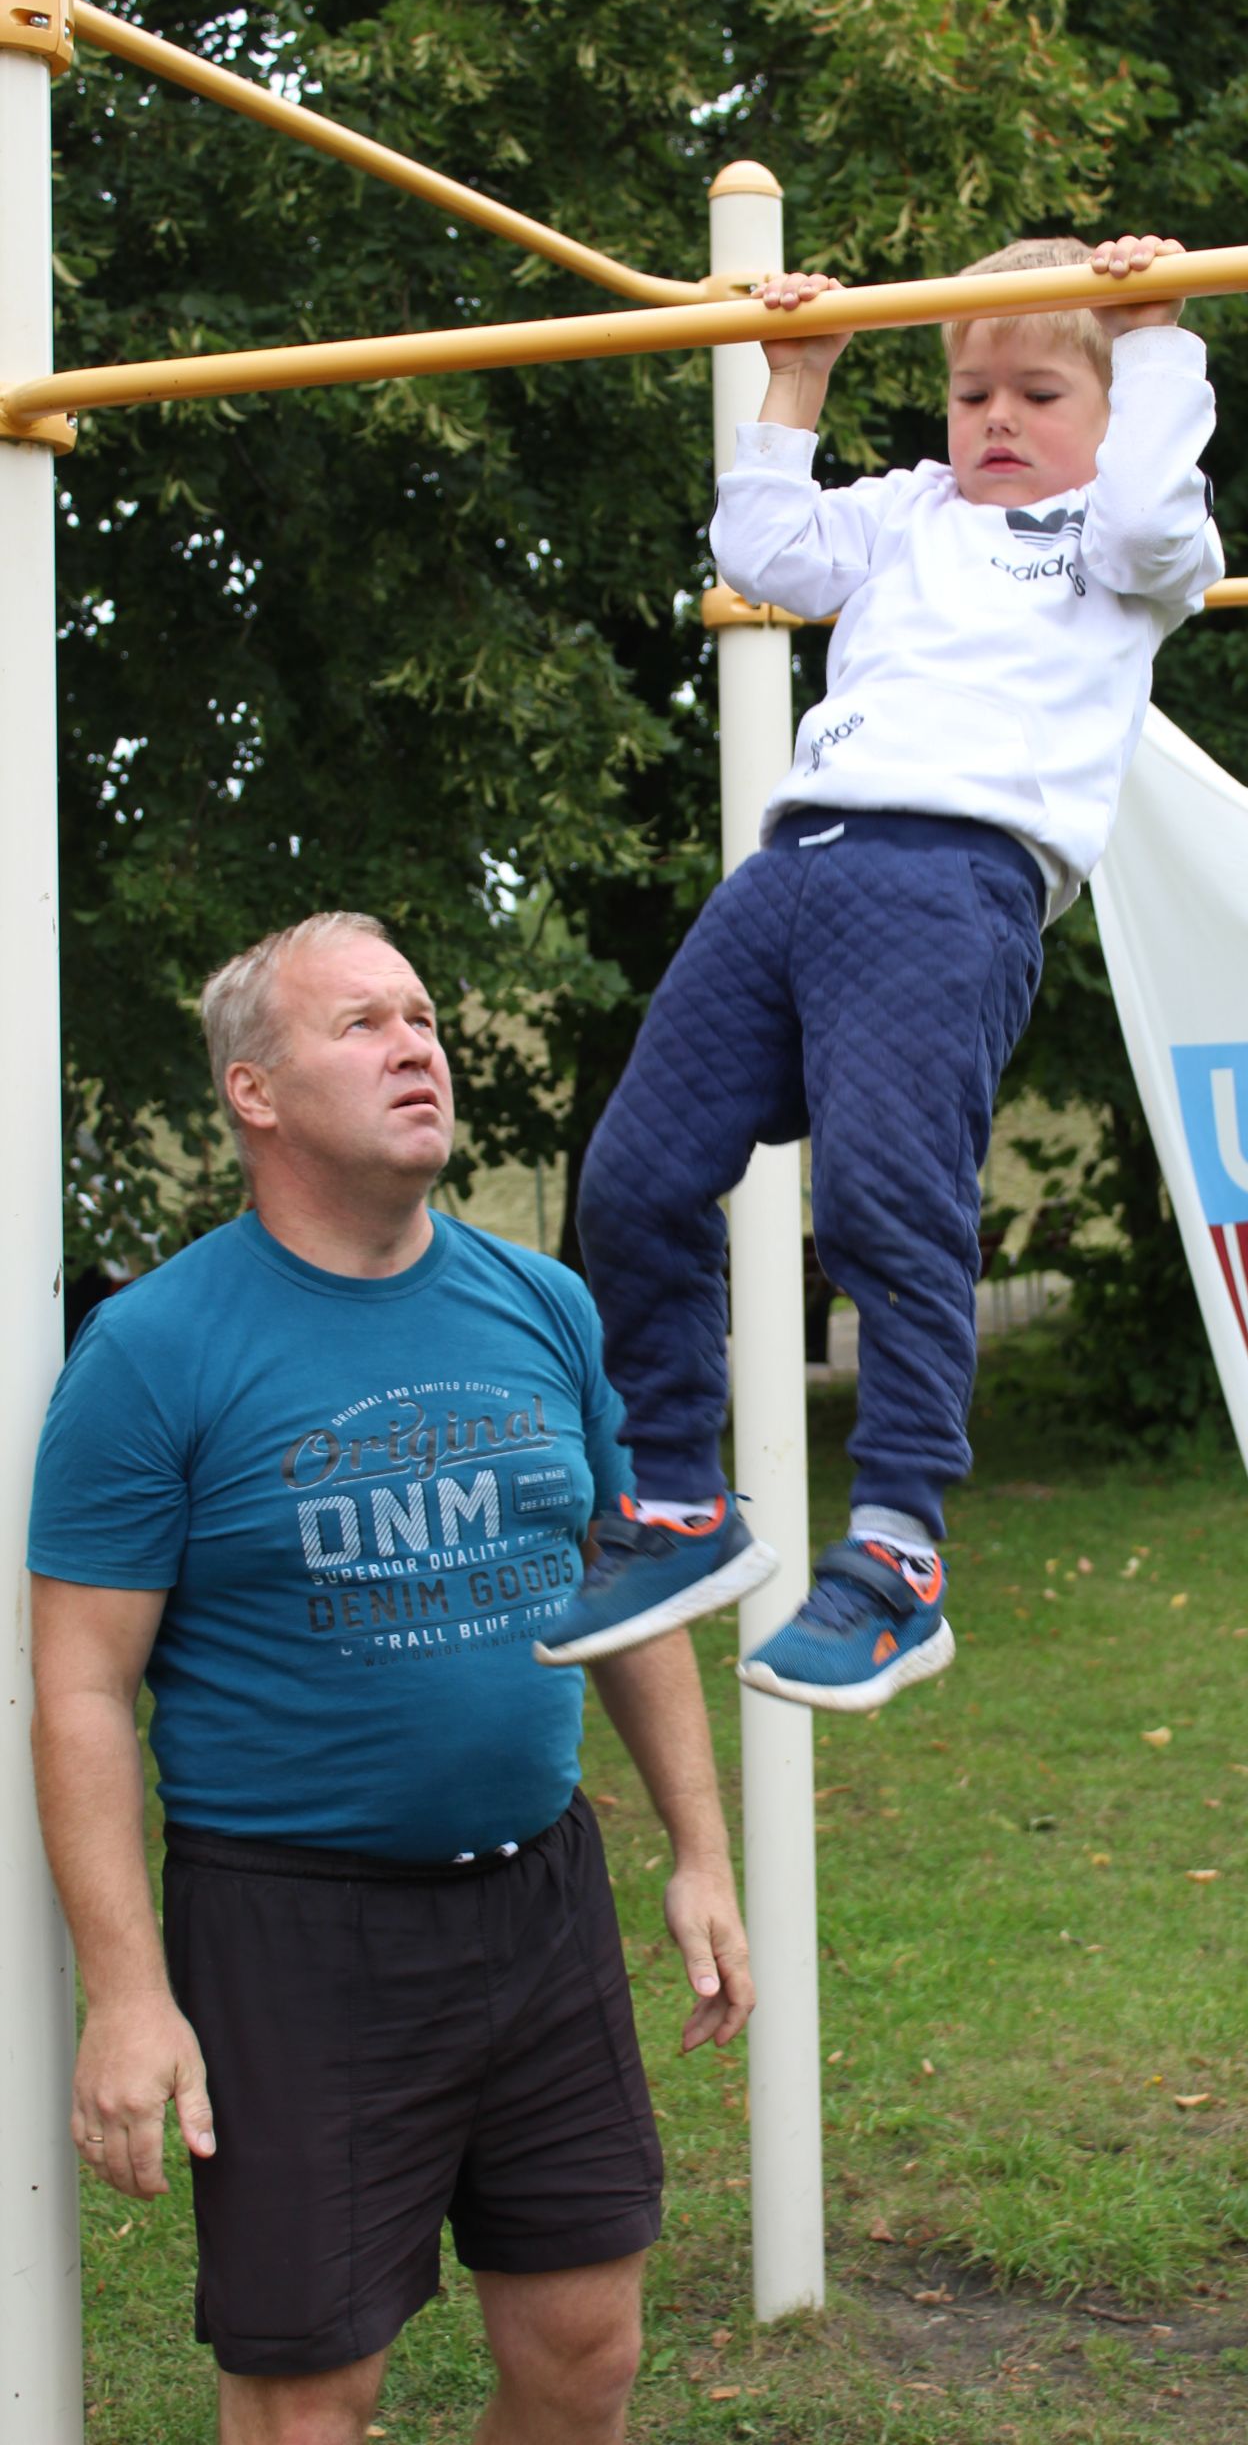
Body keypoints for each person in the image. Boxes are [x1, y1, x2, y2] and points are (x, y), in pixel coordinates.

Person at [29, 911, 753, 2445]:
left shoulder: (544, 1305)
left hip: (540, 1900)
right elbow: (82, 1689)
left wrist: (700, 1849)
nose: (416, 1046)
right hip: (293, 1930)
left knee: (585, 2354)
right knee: (310, 2406)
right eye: (361, 1024)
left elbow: (629, 1582)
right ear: (255, 1091)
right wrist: (128, 1995)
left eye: (421, 1017)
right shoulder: (152, 1352)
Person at [539, 231, 1223, 1712]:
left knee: (880, 1207)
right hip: (797, 864)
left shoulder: (1124, 541)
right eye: (973, 393)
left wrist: (1156, 336)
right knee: (637, 1174)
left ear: (1114, 417)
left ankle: (898, 1555)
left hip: (950, 881)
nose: (997, 420)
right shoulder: (913, 512)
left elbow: (1158, 515)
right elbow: (764, 554)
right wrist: (794, 378)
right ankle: (678, 1498)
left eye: (1040, 393)